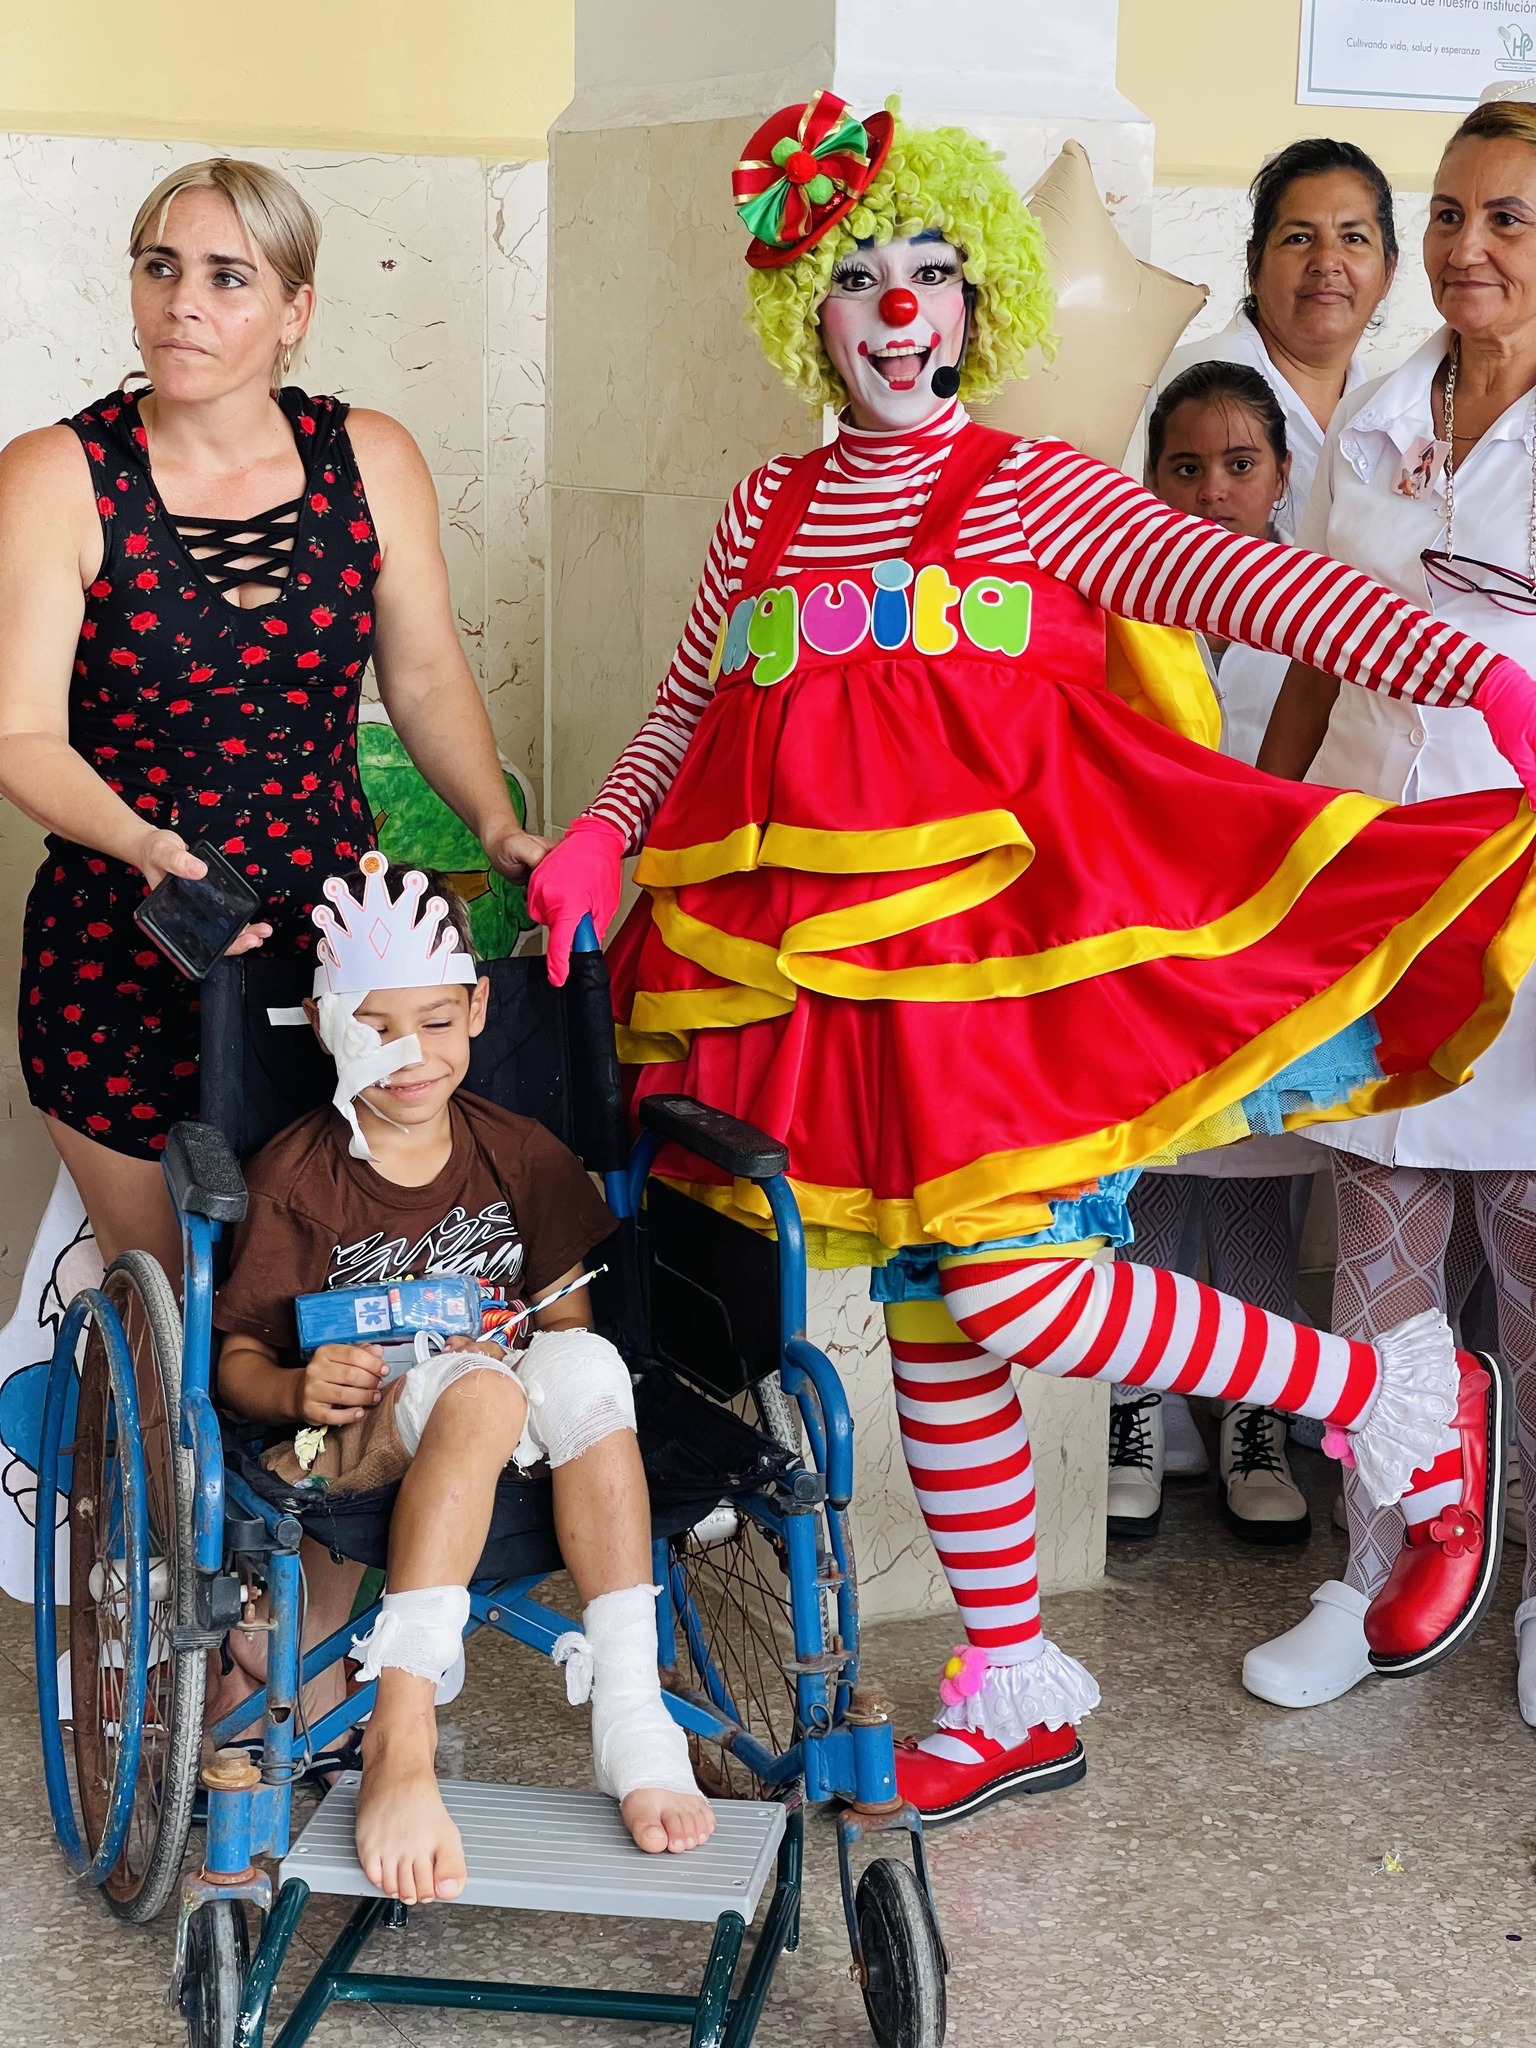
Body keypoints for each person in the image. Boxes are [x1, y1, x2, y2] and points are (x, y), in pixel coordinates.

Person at [527, 91, 1536, 1823]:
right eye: (859, 273)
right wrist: (607, 829)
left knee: (1002, 1284)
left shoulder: (1039, 489)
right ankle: (1009, 1684)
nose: (898, 305)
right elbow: (691, 707)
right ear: (808, 312)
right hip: (835, 1008)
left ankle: (1395, 1390)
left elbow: (1257, 591)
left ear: (976, 299)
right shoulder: (764, 514)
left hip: (996, 993)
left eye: (929, 269)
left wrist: (1481, 678)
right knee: (933, 1320)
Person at [0, 158, 546, 1282]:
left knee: (316, 1305)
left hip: (333, 960)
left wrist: (496, 827)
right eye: (162, 267)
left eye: (226, 276)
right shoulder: (59, 473)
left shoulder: (372, 458)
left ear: (295, 310)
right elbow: (19, 734)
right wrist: (152, 848)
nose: (182, 302)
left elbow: (429, 678)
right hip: (124, 952)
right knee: (174, 1318)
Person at [213, 853, 714, 1902]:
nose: (410, 1053)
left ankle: (631, 1712)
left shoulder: (519, 1153)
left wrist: (521, 1348)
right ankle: (401, 1734)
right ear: (320, 1019)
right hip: (350, 1432)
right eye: (377, 1024)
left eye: (437, 1020)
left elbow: (565, 1319)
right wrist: (299, 1389)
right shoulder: (298, 1177)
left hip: (501, 1419)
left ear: (480, 1007)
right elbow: (238, 1366)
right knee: (480, 1387)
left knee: (580, 1361)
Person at [1251, 90, 1536, 1719]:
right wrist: (1268, 846)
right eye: (1448, 213)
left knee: (1525, 1249)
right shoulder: (1365, 418)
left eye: (1505, 219)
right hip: (1368, 891)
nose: (1465, 246)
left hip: (1519, 920)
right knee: (1377, 1249)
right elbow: (1307, 643)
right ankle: (1366, 1577)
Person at [1108, 361, 1323, 1545]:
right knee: (1141, 1173)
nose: (1211, 491)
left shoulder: (1316, 607)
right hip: (1145, 932)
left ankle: (1253, 1416)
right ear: (1149, 480)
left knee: (1260, 1177)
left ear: (1283, 477)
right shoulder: (1120, 604)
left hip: (1268, 937)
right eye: (1184, 467)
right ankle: (1132, 1406)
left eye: (1241, 466)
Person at [1160, 137, 1399, 544]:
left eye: (1354, 238)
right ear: (1255, 263)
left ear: (1388, 271)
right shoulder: (1188, 389)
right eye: (1299, 237)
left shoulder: (1396, 407)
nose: (1326, 262)